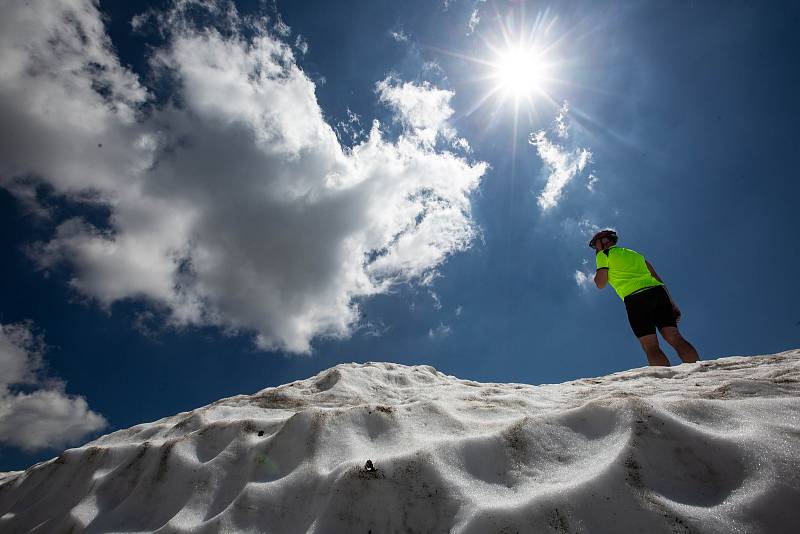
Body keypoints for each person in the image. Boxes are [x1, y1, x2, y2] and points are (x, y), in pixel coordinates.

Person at [590, 229, 699, 366]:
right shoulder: (635, 255)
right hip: (657, 292)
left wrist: (598, 271)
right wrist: (672, 303)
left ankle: (666, 384)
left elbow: (601, 283)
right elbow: (656, 276)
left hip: (635, 298)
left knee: (650, 346)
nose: (596, 248)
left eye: (596, 245)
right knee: (674, 337)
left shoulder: (603, 255)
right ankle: (699, 372)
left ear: (603, 242)